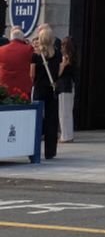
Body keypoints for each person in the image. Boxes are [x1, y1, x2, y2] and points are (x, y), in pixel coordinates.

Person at [30, 25, 61, 160]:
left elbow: (32, 74)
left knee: (36, 119)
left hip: (39, 88)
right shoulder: (57, 53)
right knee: (51, 120)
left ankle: (34, 149)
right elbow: (58, 72)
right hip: (52, 89)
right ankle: (50, 151)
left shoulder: (36, 55)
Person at [0, 26, 33, 95]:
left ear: (11, 37)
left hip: (5, 85)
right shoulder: (28, 49)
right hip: (23, 86)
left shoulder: (1, 49)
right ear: (22, 38)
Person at [57, 35, 78, 143]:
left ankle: (65, 136)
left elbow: (59, 73)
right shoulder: (74, 57)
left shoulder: (65, 58)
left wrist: (62, 64)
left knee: (63, 112)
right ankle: (68, 134)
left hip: (64, 86)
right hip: (70, 86)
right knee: (68, 111)